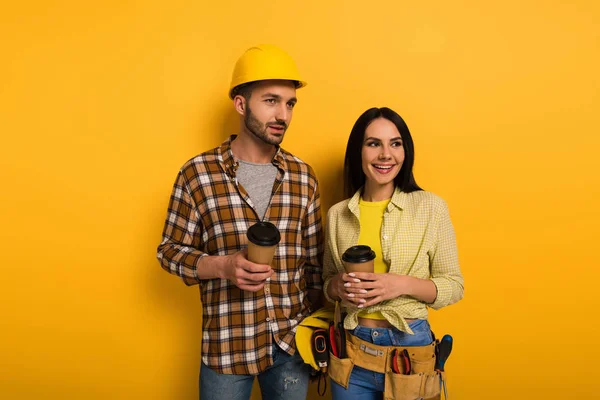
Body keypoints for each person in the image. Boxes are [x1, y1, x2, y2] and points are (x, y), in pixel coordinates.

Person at [156, 44, 323, 400]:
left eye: (290, 103)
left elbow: (314, 267)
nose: (283, 114)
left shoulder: (303, 177)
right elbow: (169, 252)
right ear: (241, 104)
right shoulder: (197, 173)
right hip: (227, 347)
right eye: (271, 101)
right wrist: (222, 266)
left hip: (291, 347)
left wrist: (312, 335)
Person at [322, 107, 464, 400]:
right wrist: (336, 286)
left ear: (405, 151)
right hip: (351, 350)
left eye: (395, 143)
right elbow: (326, 285)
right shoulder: (337, 215)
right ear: (358, 152)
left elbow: (454, 286)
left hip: (410, 351)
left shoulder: (431, 208)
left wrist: (398, 284)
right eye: (373, 143)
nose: (386, 154)